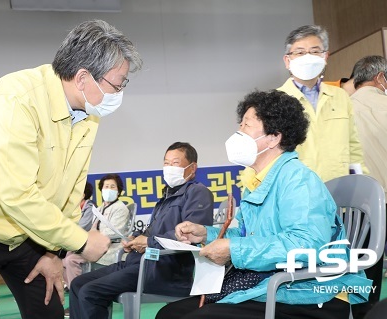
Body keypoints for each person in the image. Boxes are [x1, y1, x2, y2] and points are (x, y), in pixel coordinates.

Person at [0, 19, 143, 319]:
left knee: (48, 309)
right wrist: (80, 241)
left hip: (28, 231)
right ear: (83, 78)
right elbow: (16, 195)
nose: (120, 91)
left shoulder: (87, 113)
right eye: (117, 83)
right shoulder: (17, 101)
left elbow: (71, 187)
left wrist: (53, 252)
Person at [155, 90, 372, 319]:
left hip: (308, 292)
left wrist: (233, 249)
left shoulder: (298, 179)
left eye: (246, 125)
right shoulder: (258, 181)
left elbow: (306, 244)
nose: (239, 132)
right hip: (272, 284)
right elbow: (252, 234)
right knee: (168, 314)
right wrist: (206, 234)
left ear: (274, 137)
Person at [68, 142, 214, 319]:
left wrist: (148, 242)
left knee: (91, 292)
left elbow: (191, 235)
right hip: (138, 263)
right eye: (166, 163)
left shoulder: (198, 192)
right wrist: (134, 239)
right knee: (78, 284)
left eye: (175, 163)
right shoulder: (166, 197)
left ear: (192, 167)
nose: (169, 168)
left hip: (165, 270)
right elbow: (151, 231)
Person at [277, 25, 368, 182]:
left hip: (340, 189)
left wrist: (362, 183)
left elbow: (354, 147)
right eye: (299, 52)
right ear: (287, 60)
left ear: (325, 57)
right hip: (297, 192)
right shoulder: (275, 101)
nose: (308, 57)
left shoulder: (340, 96)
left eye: (314, 51)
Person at [349, 55, 387, 315]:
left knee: (365, 273)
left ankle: (365, 313)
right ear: (380, 78)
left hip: (357, 207)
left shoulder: (342, 110)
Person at [62, 174, 130, 291]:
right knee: (64, 256)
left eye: (112, 187)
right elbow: (93, 229)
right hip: (96, 245)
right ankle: (75, 290)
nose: (108, 189)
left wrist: (90, 238)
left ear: (118, 191)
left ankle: (78, 294)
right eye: (106, 186)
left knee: (71, 260)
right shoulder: (99, 209)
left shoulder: (120, 208)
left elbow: (113, 232)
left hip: (110, 248)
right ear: (101, 190)